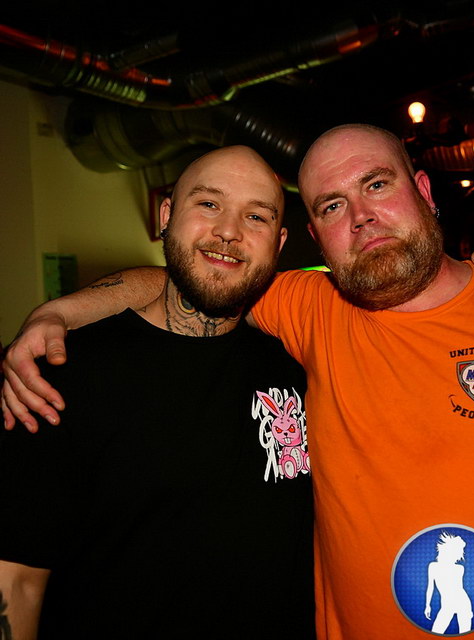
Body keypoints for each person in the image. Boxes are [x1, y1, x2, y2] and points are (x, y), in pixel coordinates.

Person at [2, 125, 474, 640]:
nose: (361, 217)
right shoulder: (307, 311)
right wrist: (57, 313)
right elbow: (196, 274)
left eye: (377, 184)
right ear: (312, 237)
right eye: (331, 205)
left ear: (424, 191)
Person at [0, 145, 316, 639]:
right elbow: (16, 583)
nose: (229, 231)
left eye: (256, 216)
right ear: (166, 216)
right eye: (208, 203)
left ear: (278, 243)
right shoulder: (63, 374)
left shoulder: (300, 363)